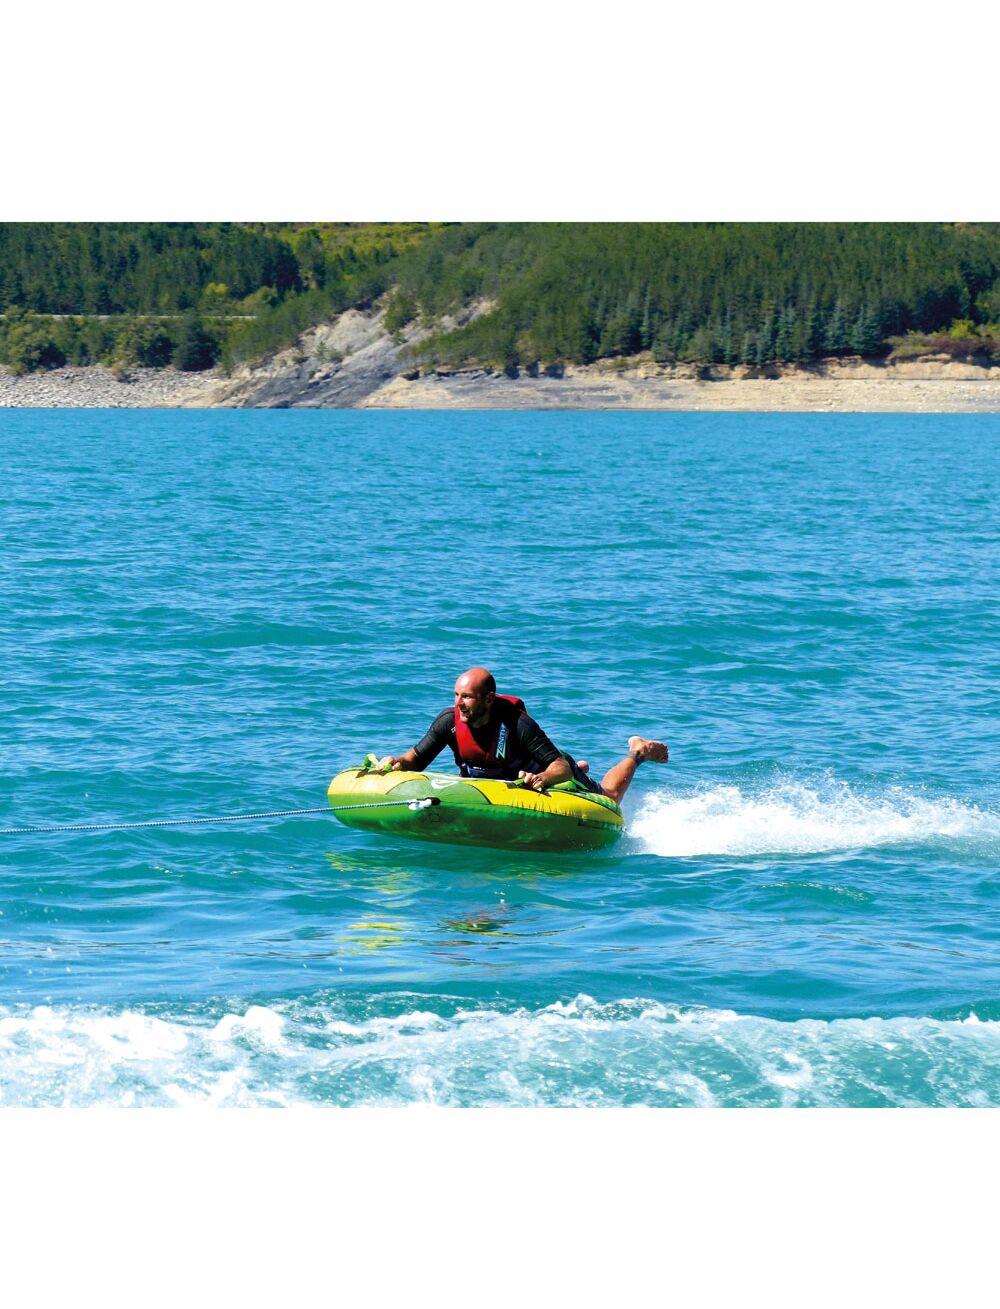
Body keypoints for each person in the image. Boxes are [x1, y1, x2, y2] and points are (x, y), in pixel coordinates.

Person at [377, 667, 668, 805]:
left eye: (467, 697)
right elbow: (416, 760)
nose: (459, 704)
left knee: (611, 797)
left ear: (489, 698)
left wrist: (541, 778)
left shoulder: (517, 724)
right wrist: (396, 762)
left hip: (547, 772)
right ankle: (584, 769)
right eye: (456, 695)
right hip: (494, 786)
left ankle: (637, 753)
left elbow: (559, 767)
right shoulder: (448, 723)